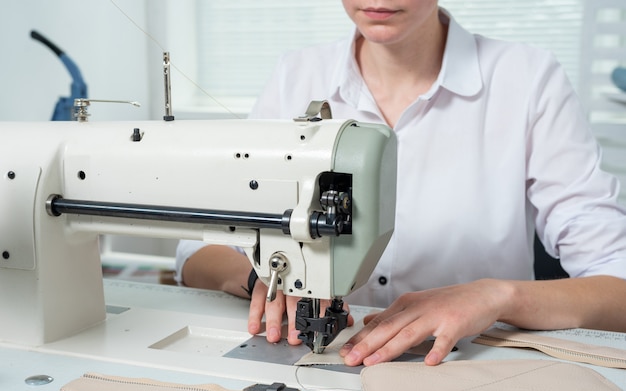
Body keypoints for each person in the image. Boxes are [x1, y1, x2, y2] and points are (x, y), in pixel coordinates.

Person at [177, 0, 626, 367]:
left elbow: (619, 283)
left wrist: (495, 295)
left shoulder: (528, 80)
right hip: (322, 358)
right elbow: (196, 251)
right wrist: (265, 279)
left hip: (471, 367)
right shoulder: (296, 75)